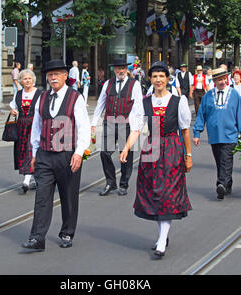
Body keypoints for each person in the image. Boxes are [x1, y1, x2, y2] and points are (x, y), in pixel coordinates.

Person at [119, 62, 193, 258]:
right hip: (151, 149)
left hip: (171, 149)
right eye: (155, 76)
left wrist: (188, 155)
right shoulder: (144, 102)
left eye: (162, 76)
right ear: (150, 79)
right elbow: (136, 129)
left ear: (168, 79)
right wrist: (126, 148)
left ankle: (161, 240)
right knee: (156, 192)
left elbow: (185, 130)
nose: (158, 80)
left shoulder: (178, 101)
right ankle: (162, 235)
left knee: (167, 193)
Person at [21, 59, 90, 251]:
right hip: (44, 155)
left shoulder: (75, 98)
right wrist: (35, 152)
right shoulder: (42, 98)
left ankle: (67, 231)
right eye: (50, 75)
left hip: (67, 155)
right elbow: (36, 126)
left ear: (65, 76)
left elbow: (84, 127)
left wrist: (78, 152)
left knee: (68, 196)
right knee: (42, 197)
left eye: (57, 74)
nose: (53, 78)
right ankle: (37, 238)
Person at [193, 68, 241, 200]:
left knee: (226, 159)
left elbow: (240, 114)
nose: (222, 82)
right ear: (214, 81)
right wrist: (197, 132)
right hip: (214, 135)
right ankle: (227, 183)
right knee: (220, 161)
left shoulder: (234, 94)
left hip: (230, 134)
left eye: (224, 79)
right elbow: (201, 114)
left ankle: (221, 184)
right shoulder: (207, 96)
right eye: (219, 79)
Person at [91, 57, 144, 196]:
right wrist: (93, 122)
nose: (121, 70)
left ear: (127, 69)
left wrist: (137, 125)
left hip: (126, 123)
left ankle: (124, 184)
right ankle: (110, 182)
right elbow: (101, 103)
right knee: (104, 153)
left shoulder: (135, 84)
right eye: (118, 68)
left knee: (125, 154)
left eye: (123, 68)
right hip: (109, 122)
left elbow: (138, 106)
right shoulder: (108, 83)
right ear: (114, 69)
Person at [9, 69, 41, 193]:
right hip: (21, 126)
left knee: (31, 149)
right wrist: (13, 112)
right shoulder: (18, 94)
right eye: (25, 79)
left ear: (33, 80)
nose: (27, 81)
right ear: (21, 81)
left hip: (35, 126)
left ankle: (27, 180)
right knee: (23, 151)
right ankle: (34, 178)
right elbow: (13, 107)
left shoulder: (39, 94)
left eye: (29, 78)